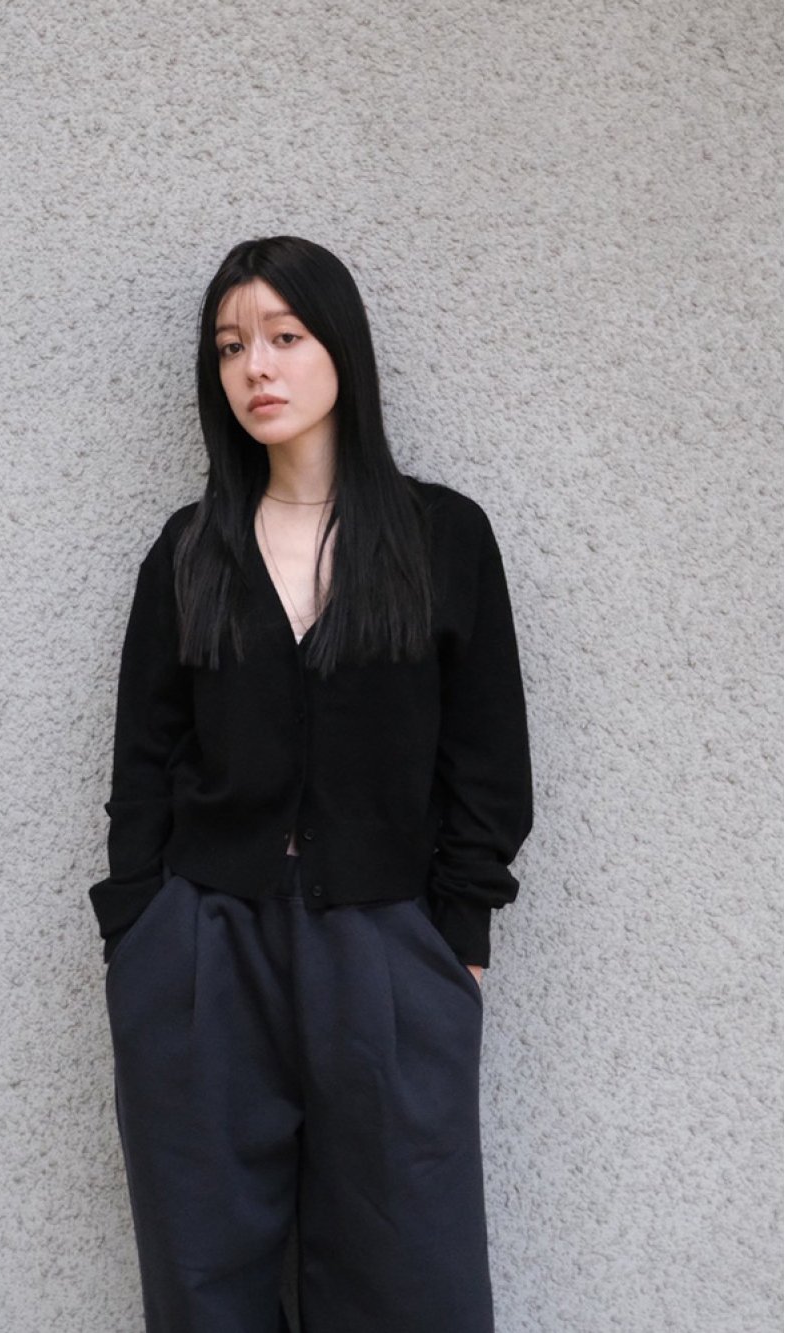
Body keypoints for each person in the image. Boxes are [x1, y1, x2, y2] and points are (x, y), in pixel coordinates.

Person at [90, 236, 533, 1333]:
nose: (257, 368)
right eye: (230, 346)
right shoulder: (190, 551)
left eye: (284, 336)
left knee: (411, 1278)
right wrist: (139, 931)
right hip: (203, 946)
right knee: (204, 1281)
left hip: (388, 943)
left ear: (342, 348)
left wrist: (457, 937)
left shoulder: (441, 538)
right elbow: (143, 760)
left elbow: (487, 760)